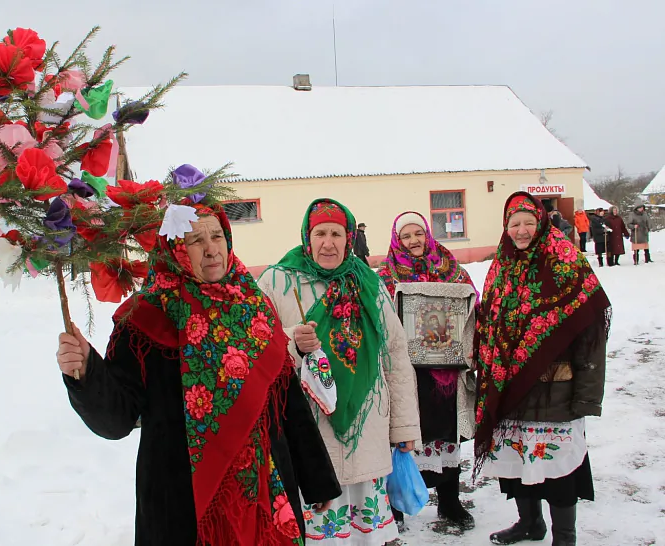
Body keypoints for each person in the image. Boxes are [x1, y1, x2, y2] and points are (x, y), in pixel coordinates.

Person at [56, 200, 342, 545]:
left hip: (266, 496)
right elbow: (117, 419)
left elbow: (287, 401)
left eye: (217, 236)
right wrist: (86, 373)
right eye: (195, 240)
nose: (211, 250)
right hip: (184, 506)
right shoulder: (145, 320)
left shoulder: (255, 306)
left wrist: (316, 478)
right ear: (173, 248)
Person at [258, 199, 421, 545]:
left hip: (366, 430)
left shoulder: (369, 283)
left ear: (349, 238)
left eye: (336, 234)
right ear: (307, 237)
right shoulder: (277, 281)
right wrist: (292, 342)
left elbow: (395, 354)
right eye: (320, 234)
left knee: (365, 536)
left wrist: (405, 427)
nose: (328, 243)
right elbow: (255, 346)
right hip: (309, 430)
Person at [474, 192, 610, 546]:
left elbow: (591, 335)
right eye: (514, 224)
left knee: (558, 471)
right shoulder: (501, 267)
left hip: (556, 392)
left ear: (542, 223)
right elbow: (488, 324)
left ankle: (565, 537)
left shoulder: (566, 263)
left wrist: (587, 397)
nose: (521, 230)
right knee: (518, 465)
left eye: (528, 223)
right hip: (510, 389)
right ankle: (530, 523)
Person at [377, 211, 478, 532]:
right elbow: (378, 316)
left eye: (418, 234)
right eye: (406, 236)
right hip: (406, 373)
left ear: (428, 235)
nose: (413, 241)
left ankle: (449, 501)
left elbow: (471, 306)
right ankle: (397, 504)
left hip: (445, 371)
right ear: (397, 240)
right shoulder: (386, 276)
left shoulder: (450, 269)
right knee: (404, 434)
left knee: (446, 436)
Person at [627, 199, 653, 265]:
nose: (642, 209)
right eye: (640, 207)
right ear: (637, 208)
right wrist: (633, 226)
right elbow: (629, 224)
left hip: (644, 233)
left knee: (646, 248)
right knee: (636, 249)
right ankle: (636, 260)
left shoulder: (645, 214)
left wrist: (648, 228)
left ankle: (648, 259)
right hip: (636, 234)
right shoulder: (632, 214)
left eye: (642, 207)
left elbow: (648, 221)